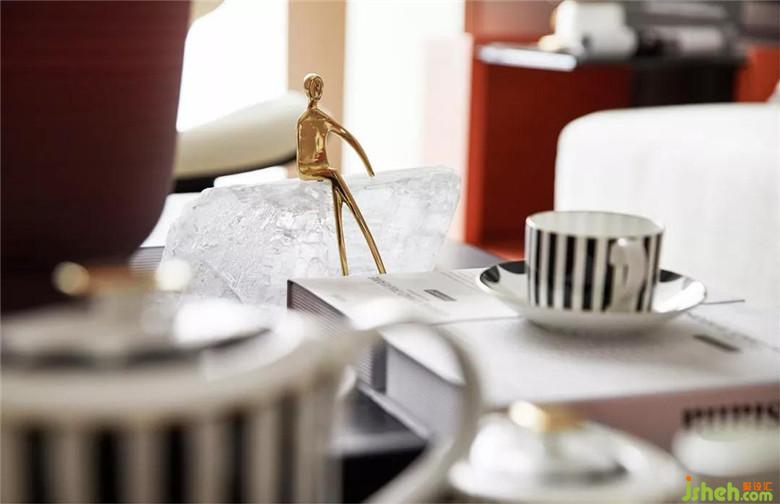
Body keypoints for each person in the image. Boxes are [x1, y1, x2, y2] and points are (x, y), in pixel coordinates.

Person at [296, 73, 386, 275]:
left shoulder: (321, 118)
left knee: (336, 182)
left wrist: (367, 165)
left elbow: (347, 136)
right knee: (336, 177)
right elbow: (303, 161)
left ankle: (354, 267)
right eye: (315, 87)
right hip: (310, 169)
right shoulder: (304, 120)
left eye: (320, 87)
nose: (318, 91)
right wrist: (368, 167)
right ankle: (361, 264)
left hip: (325, 169)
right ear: (308, 90)